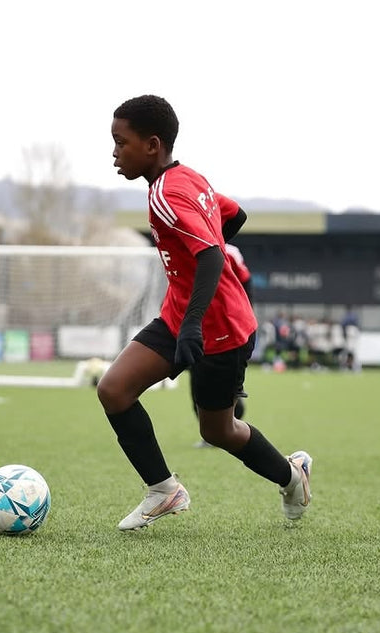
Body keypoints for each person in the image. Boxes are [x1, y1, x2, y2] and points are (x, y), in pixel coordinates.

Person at [98, 94, 312, 530]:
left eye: (120, 142)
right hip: (179, 317)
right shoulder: (188, 179)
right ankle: (163, 489)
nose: (114, 152)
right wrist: (188, 310)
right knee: (114, 390)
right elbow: (235, 215)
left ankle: (293, 477)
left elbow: (213, 254)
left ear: (152, 145)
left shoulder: (168, 193)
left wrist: (194, 322)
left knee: (218, 430)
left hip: (222, 329)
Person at [191, 243, 251, 447]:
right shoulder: (186, 246)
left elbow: (246, 282)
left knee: (222, 388)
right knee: (197, 385)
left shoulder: (230, 252)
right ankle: (212, 434)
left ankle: (229, 424)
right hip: (197, 328)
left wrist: (245, 317)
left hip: (225, 328)